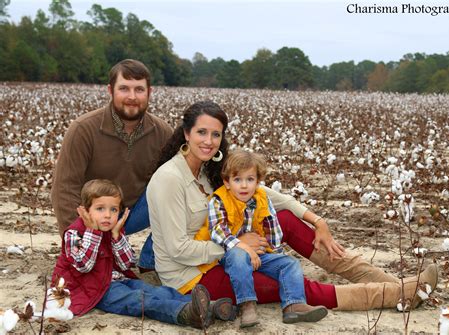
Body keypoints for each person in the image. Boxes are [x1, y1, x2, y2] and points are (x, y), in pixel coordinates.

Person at [147, 100, 438, 313]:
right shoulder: (169, 180)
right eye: (202, 133)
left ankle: (400, 284)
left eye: (216, 134)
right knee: (294, 285)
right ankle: (395, 294)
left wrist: (317, 220)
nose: (209, 141)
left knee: (284, 218)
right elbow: (177, 250)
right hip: (194, 275)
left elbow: (268, 195)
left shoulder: (211, 170)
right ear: (186, 133)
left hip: (226, 252)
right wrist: (237, 246)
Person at [51, 179, 235, 330]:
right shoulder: (75, 234)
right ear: (85, 211)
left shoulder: (113, 230)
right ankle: (186, 313)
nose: (107, 215)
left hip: (116, 279)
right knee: (140, 300)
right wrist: (93, 232)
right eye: (100, 209)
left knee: (155, 290)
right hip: (90, 288)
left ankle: (209, 306)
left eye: (113, 210)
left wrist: (116, 237)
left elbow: (125, 264)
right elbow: (84, 265)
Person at [51, 59, 172, 271]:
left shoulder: (162, 132)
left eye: (139, 89)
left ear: (149, 92)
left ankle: (150, 258)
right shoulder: (83, 130)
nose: (132, 97)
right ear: (110, 90)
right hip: (93, 216)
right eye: (124, 88)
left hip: (132, 212)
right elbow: (64, 189)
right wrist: (77, 242)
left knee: (182, 187)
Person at [196, 149, 328, 327]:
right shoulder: (218, 201)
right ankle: (247, 305)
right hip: (227, 254)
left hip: (257, 253)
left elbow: (273, 228)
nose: (244, 186)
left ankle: (293, 304)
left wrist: (274, 253)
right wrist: (246, 248)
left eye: (250, 180)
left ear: (258, 182)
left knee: (289, 263)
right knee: (238, 256)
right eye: (237, 180)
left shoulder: (262, 199)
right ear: (227, 182)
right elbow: (218, 232)